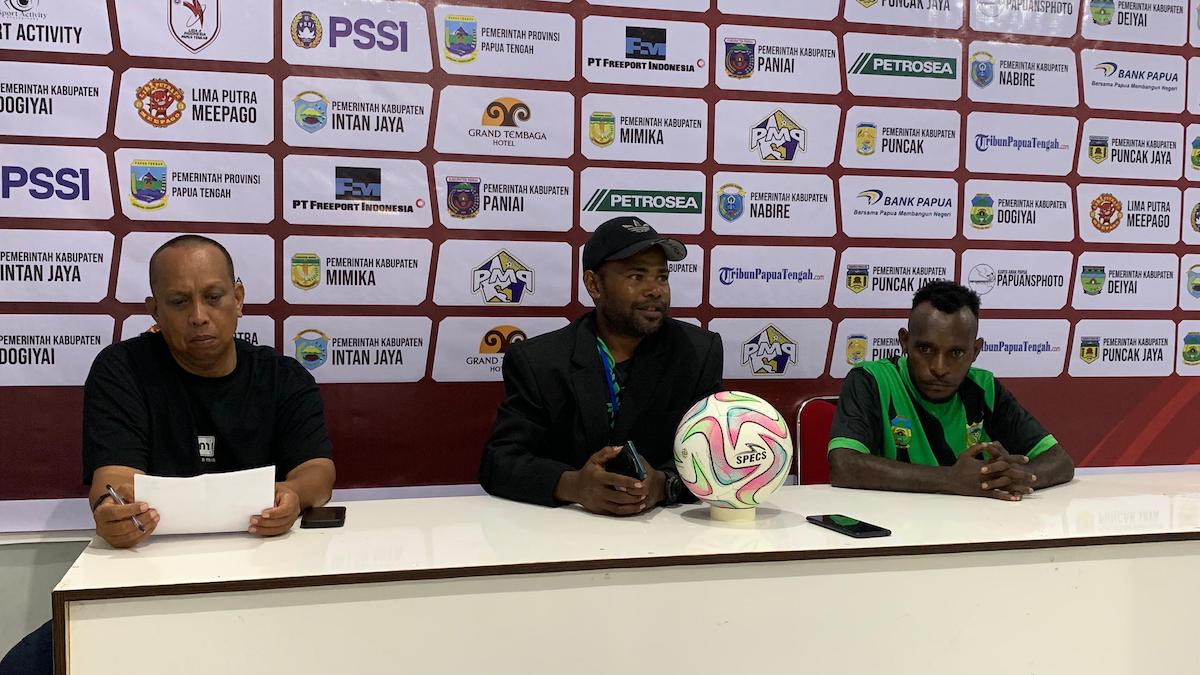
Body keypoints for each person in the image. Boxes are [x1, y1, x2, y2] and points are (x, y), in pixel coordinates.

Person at [83, 235, 336, 547]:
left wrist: (293, 494)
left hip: (267, 551)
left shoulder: (283, 377)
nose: (199, 317)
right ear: (155, 311)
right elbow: (115, 477)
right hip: (155, 554)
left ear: (238, 299)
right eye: (179, 302)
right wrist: (115, 511)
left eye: (213, 297)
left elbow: (317, 471)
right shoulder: (122, 370)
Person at [480, 216, 723, 515]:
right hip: (564, 530)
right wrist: (573, 485)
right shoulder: (539, 361)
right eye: (637, 276)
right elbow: (500, 461)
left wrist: (663, 484)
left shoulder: (698, 352)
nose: (655, 290)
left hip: (665, 528)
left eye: (662, 277)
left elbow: (716, 453)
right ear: (594, 284)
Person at [828, 280, 1074, 500]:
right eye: (925, 349)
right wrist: (949, 479)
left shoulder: (985, 387)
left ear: (975, 351)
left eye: (956, 353)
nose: (939, 368)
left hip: (972, 527)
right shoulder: (871, 380)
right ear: (905, 341)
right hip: (893, 525)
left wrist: (1010, 477)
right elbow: (844, 465)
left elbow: (1060, 461)